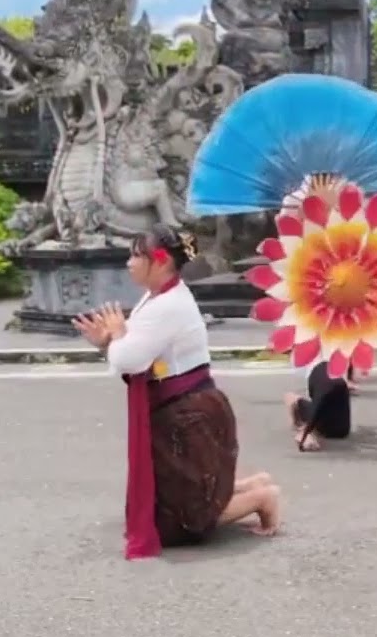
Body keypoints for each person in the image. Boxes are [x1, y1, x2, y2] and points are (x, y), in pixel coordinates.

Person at [72, 225, 282, 559]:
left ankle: (261, 499)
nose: (129, 262)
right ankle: (253, 485)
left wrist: (112, 338)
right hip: (181, 409)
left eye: (136, 255)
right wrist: (112, 340)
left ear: (159, 260)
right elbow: (132, 355)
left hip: (187, 414)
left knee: (183, 523)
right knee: (174, 501)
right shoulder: (159, 296)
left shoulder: (167, 305)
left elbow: (129, 358)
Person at [284, 360, 354, 452]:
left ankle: (298, 423)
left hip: (330, 427)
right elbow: (317, 407)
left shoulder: (329, 385)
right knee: (320, 407)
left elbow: (317, 408)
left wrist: (305, 434)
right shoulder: (332, 385)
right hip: (339, 428)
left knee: (291, 397)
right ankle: (295, 410)